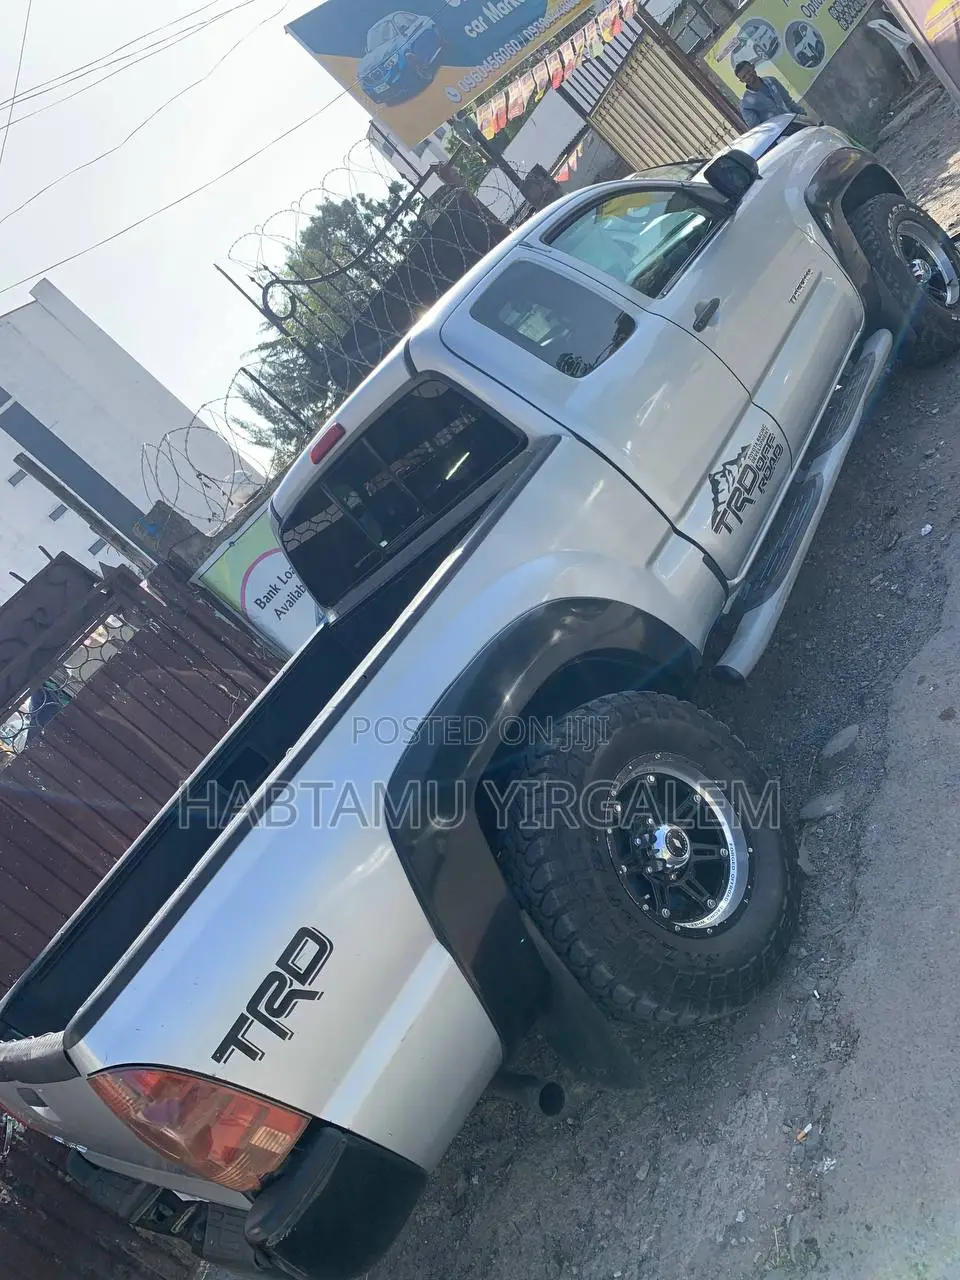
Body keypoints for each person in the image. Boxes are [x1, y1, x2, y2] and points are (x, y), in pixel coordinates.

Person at [735, 60, 802, 127]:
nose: (748, 76)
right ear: (741, 81)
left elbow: (788, 101)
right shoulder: (745, 104)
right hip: (779, 134)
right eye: (744, 77)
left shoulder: (771, 80)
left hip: (794, 122)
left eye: (748, 71)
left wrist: (803, 115)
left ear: (753, 67)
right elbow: (757, 128)